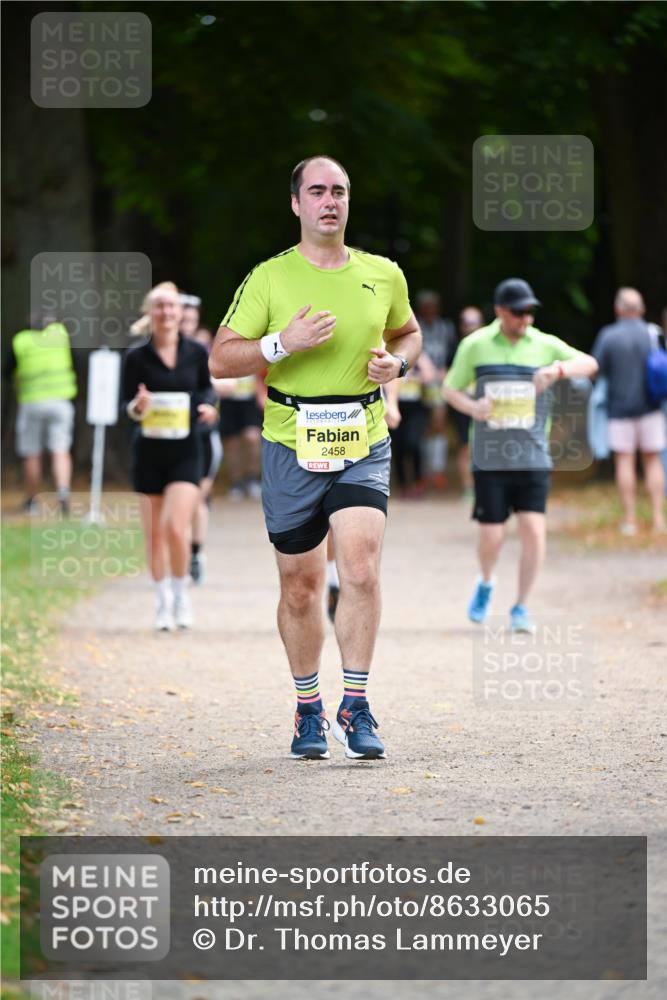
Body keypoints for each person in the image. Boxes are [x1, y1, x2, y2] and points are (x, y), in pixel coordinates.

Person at [210, 154, 421, 760]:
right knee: (300, 586)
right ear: (297, 204)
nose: (331, 201)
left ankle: (355, 705)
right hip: (289, 441)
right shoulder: (269, 279)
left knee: (359, 569)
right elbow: (221, 360)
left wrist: (397, 363)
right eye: (319, 192)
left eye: (341, 192)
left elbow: (407, 333)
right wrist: (284, 343)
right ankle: (308, 708)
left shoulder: (383, 274)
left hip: (362, 435)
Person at [444, 278, 598, 633]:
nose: (526, 319)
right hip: (490, 457)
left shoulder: (543, 344)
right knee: (493, 536)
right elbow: (449, 388)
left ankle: (521, 607)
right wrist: (472, 407)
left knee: (534, 531)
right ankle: (486, 582)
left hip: (532, 456)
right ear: (499, 312)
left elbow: (589, 363)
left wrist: (557, 369)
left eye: (530, 312)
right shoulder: (475, 344)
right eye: (518, 313)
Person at [123, 282, 219, 630]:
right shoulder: (136, 356)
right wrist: (138, 405)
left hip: (187, 451)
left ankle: (181, 594)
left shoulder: (196, 352)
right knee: (154, 535)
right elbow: (127, 405)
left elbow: (208, 389)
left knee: (176, 528)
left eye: (172, 306)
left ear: (181, 313)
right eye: (160, 306)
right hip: (148, 452)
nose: (166, 312)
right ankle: (162, 599)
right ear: (150, 312)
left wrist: (210, 408)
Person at [592, 288, 666, 534]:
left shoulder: (608, 336)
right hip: (651, 408)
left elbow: (595, 369)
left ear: (618, 309)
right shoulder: (653, 333)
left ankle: (630, 520)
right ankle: (658, 519)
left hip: (619, 410)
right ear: (641, 309)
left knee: (625, 462)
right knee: (653, 461)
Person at [5, 319, 77, 515]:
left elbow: (7, 371)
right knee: (60, 450)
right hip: (61, 402)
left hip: (32, 402)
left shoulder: (21, 341)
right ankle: (63, 492)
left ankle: (32, 501)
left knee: (32, 452)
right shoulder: (60, 335)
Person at [181, 311, 224, 584]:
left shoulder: (201, 352)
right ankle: (179, 554)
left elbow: (225, 383)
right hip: (168, 439)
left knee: (196, 498)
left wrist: (211, 403)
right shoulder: (152, 353)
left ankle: (195, 553)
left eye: (189, 319)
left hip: (203, 436)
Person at [415, 290, 456, 490]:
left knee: (438, 423)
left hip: (439, 382)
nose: (430, 309)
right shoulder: (416, 326)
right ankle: (424, 471)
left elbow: (452, 352)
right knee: (422, 427)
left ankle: (436, 469)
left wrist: (446, 370)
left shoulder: (445, 327)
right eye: (426, 306)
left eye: (433, 305)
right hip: (416, 384)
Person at [448, 306, 485, 499]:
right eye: (467, 323)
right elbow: (447, 375)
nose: (471, 327)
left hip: (488, 405)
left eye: (474, 322)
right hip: (463, 404)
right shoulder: (456, 347)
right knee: (465, 446)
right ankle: (469, 488)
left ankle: (485, 486)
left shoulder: (488, 346)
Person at [390, 351, 438, 497]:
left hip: (416, 409)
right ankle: (403, 484)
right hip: (396, 407)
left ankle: (418, 482)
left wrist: (415, 375)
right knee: (398, 446)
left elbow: (430, 376)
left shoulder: (418, 355)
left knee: (414, 443)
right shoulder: (389, 355)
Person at [217, 372, 264, 500]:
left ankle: (253, 478)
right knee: (232, 443)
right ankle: (236, 482)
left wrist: (260, 392)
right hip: (227, 400)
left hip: (249, 399)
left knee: (253, 437)